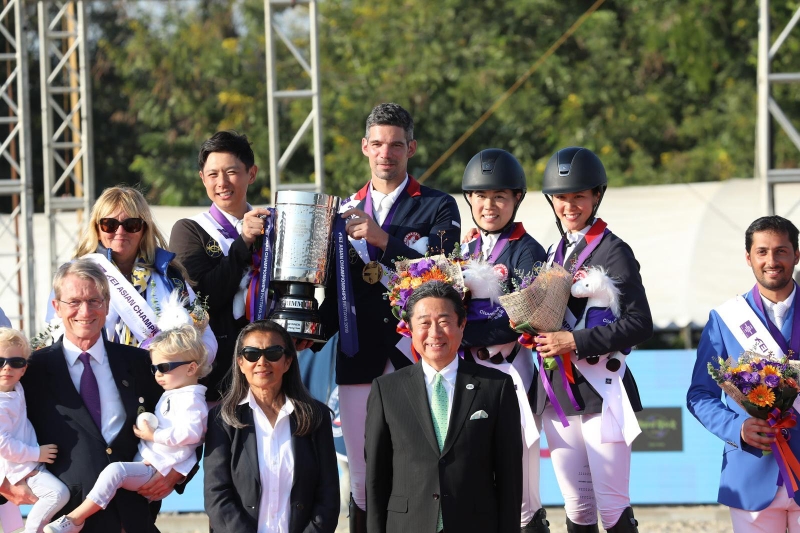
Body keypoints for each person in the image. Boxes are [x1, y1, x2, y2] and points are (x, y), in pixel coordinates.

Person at [316, 103, 461, 531]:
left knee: (421, 460)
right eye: (377, 144)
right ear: (364, 147)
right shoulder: (340, 211)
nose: (386, 153)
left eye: (396, 145)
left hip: (415, 354)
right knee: (361, 471)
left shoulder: (438, 206)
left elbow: (445, 270)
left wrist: (382, 238)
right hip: (357, 352)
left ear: (411, 148)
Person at [0, 259, 186, 532]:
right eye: (74, 301)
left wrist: (177, 472)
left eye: (94, 301)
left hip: (133, 519)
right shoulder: (30, 370)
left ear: (107, 305)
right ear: (57, 307)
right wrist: (4, 484)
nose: (85, 311)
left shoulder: (141, 363)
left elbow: (186, 412)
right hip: (65, 521)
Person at [533, 147, 652, 533]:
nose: (569, 206)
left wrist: (574, 341)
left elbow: (639, 323)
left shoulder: (614, 251)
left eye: (579, 196)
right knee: (578, 507)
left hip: (603, 389)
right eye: (562, 198)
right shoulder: (555, 251)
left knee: (613, 508)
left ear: (597, 196)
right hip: (561, 394)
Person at [365, 280, 522, 533]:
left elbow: (510, 476)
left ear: (462, 325)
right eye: (424, 323)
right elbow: (376, 478)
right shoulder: (386, 390)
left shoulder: (496, 386)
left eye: (445, 321)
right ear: (409, 329)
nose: (435, 333)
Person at [688, 216, 800, 532]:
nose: (772, 261)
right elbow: (700, 395)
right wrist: (739, 426)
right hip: (751, 471)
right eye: (762, 252)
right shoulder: (726, 319)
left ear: (796, 254)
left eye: (781, 251)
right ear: (748, 257)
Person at [459, 148, 549, 532]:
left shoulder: (527, 251)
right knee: (475, 479)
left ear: (516, 199)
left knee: (522, 491)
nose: (488, 205)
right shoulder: (466, 248)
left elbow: (527, 318)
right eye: (480, 196)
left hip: (510, 372)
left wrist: (461, 333)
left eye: (499, 196)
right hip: (468, 373)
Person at [44, 324, 209, 533]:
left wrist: (157, 440)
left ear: (191, 368)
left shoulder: (191, 399)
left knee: (116, 472)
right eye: (154, 368)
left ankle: (75, 518)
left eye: (163, 367)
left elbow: (194, 435)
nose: (157, 374)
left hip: (154, 469)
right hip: (141, 467)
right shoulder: (174, 390)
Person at [46, 186, 217, 362]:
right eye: (109, 225)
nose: (120, 232)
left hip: (160, 381)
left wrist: (185, 363)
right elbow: (54, 336)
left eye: (131, 225)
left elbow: (207, 339)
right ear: (97, 228)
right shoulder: (74, 276)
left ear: (144, 229)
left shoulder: (170, 275)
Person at [203, 320, 339, 533]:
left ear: (287, 362)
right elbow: (217, 495)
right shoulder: (222, 419)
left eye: (273, 353)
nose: (262, 361)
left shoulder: (316, 416)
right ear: (240, 362)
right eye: (251, 353)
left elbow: (328, 495)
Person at [170, 131, 272, 401]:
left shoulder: (273, 225)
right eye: (213, 174)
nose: (222, 182)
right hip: (219, 376)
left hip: (272, 366)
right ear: (202, 178)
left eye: (231, 172)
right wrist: (244, 242)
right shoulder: (189, 230)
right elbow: (204, 298)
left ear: (251, 173)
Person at [0, 328, 69, 533]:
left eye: (16, 363)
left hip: (29, 465)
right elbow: (2, 445)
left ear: (24, 369)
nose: (7, 368)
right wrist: (36, 453)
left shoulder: (16, 389)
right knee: (58, 494)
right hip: (22, 470)